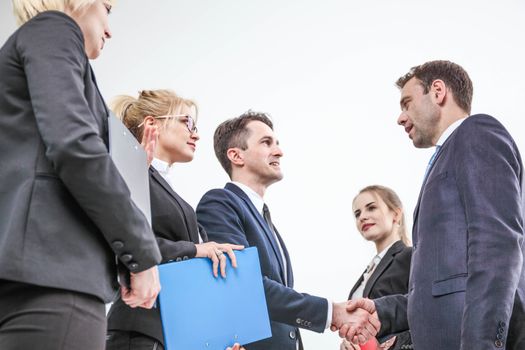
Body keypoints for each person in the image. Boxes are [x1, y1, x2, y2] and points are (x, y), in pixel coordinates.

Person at [0, 1, 162, 349]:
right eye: (107, 9)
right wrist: (142, 254)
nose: (109, 29)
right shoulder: (55, 29)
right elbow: (76, 147)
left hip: (26, 280)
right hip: (57, 284)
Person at [347, 60, 525, 349]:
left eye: (407, 103)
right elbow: (443, 285)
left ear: (438, 91)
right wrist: (383, 312)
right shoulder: (445, 159)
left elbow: (498, 246)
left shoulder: (477, 132)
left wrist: (483, 345)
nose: (400, 118)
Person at [196, 111, 380, 349]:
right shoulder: (220, 203)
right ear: (236, 155)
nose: (279, 151)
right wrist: (331, 312)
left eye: (277, 143)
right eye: (266, 142)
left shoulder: (265, 217)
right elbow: (243, 285)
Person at [105, 89, 244, 350]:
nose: (196, 133)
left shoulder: (168, 189)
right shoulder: (126, 177)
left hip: (174, 333)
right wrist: (195, 249)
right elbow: (124, 240)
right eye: (187, 122)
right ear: (152, 123)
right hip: (141, 332)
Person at [342, 185, 412, 350]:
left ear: (396, 214)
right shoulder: (368, 272)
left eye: (371, 208)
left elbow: (424, 308)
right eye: (357, 214)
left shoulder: (410, 256)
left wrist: (394, 343)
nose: (362, 217)